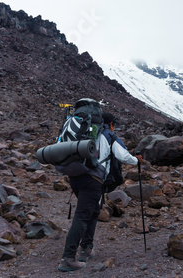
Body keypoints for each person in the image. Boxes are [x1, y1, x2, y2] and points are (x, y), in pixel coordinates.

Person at [58, 102, 142, 272]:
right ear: (110, 124)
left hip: (76, 177)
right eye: (114, 124)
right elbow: (123, 156)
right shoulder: (108, 136)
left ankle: (87, 249)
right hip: (93, 180)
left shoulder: (88, 134)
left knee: (94, 211)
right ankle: (68, 258)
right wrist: (137, 160)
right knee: (82, 216)